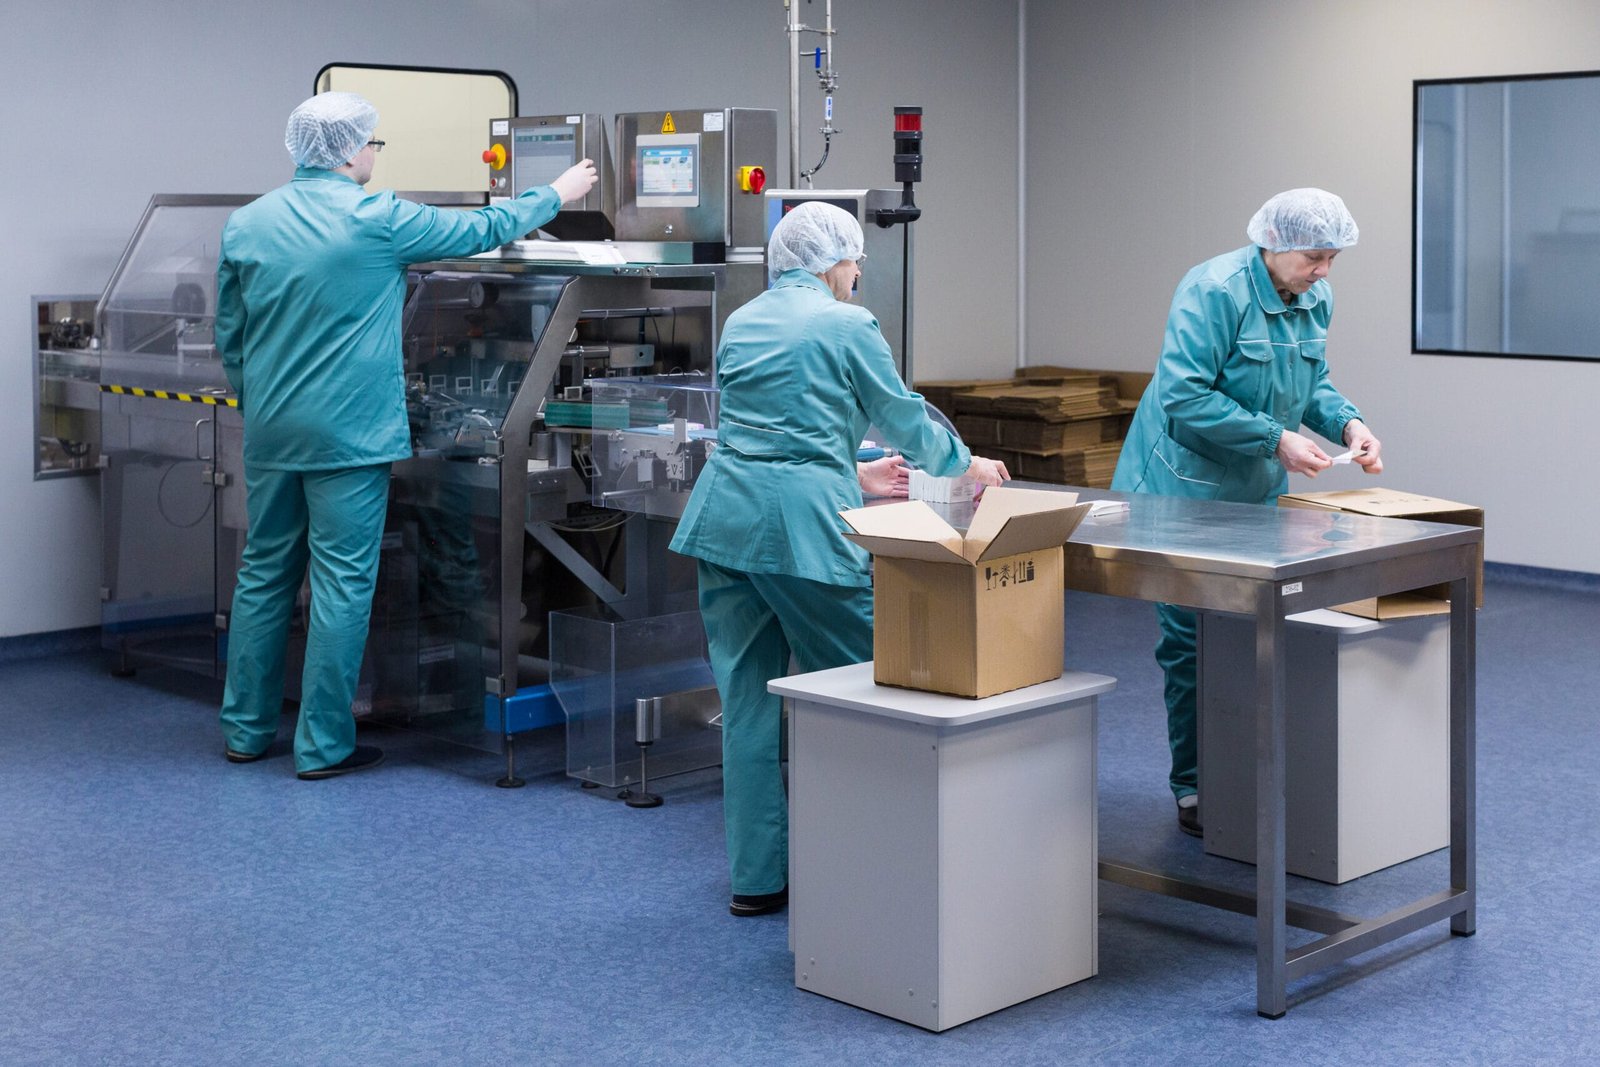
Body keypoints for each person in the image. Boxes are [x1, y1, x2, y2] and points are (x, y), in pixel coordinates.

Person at [215, 92, 597, 779]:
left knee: (264, 574)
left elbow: (231, 337)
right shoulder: (377, 218)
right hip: (350, 435)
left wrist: (261, 404)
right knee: (339, 584)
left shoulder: (247, 224)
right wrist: (556, 192)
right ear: (352, 149)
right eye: (373, 143)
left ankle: (244, 730)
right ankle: (322, 744)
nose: (373, 154)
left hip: (272, 430)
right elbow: (485, 229)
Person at [670, 202, 1009, 915]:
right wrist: (967, 464)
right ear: (831, 262)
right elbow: (903, 413)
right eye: (855, 262)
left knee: (749, 704)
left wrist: (848, 470)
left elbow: (765, 426)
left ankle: (757, 879)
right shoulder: (847, 322)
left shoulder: (744, 318)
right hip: (800, 532)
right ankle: (869, 867)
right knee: (861, 693)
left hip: (725, 520)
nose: (858, 275)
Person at [1109, 188, 1383, 836]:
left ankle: (1246, 770)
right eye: (1315, 257)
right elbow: (1181, 395)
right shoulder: (1213, 291)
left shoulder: (1316, 296)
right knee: (1189, 639)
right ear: (1275, 244)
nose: (1324, 272)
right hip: (1180, 489)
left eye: (1331, 259)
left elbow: (1310, 381)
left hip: (1252, 491)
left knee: (1249, 632)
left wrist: (1348, 423)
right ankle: (1197, 787)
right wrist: (1275, 438)